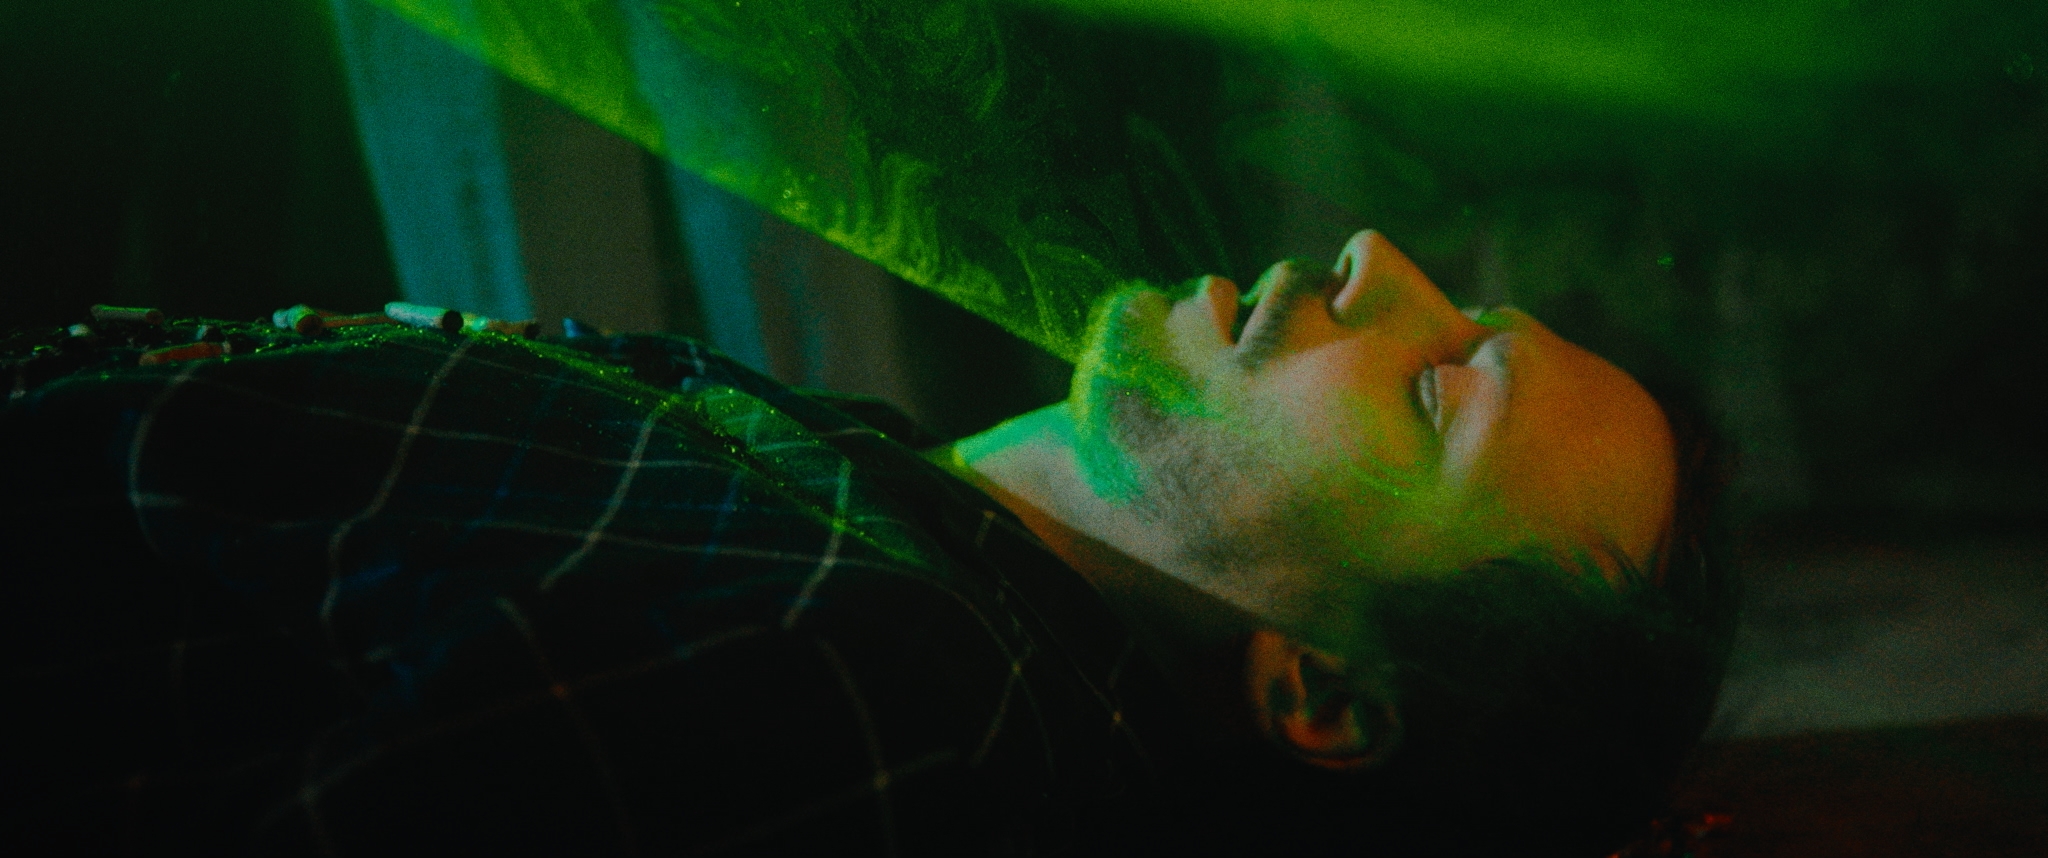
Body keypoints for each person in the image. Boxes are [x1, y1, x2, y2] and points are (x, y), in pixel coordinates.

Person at [0, 230, 1730, 856]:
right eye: (1459, 303)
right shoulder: (891, 532)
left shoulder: (887, 710)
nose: (1370, 261)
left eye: (1438, 395)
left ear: (1327, 694)